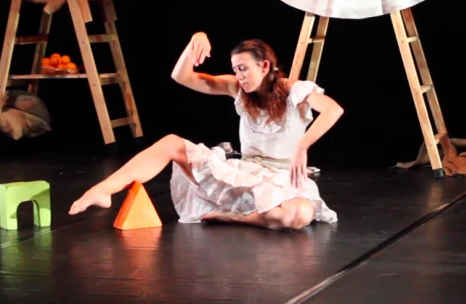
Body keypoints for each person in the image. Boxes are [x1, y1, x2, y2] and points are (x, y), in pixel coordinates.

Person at [69, 32, 343, 231]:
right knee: (171, 143)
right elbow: (182, 77)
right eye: (236, 69)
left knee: (298, 216)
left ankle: (234, 217)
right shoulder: (236, 88)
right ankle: (104, 189)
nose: (239, 76)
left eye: (244, 69)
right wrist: (194, 42)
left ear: (265, 66)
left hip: (283, 177)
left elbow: (333, 110)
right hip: (245, 174)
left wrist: (301, 146)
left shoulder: (293, 90)